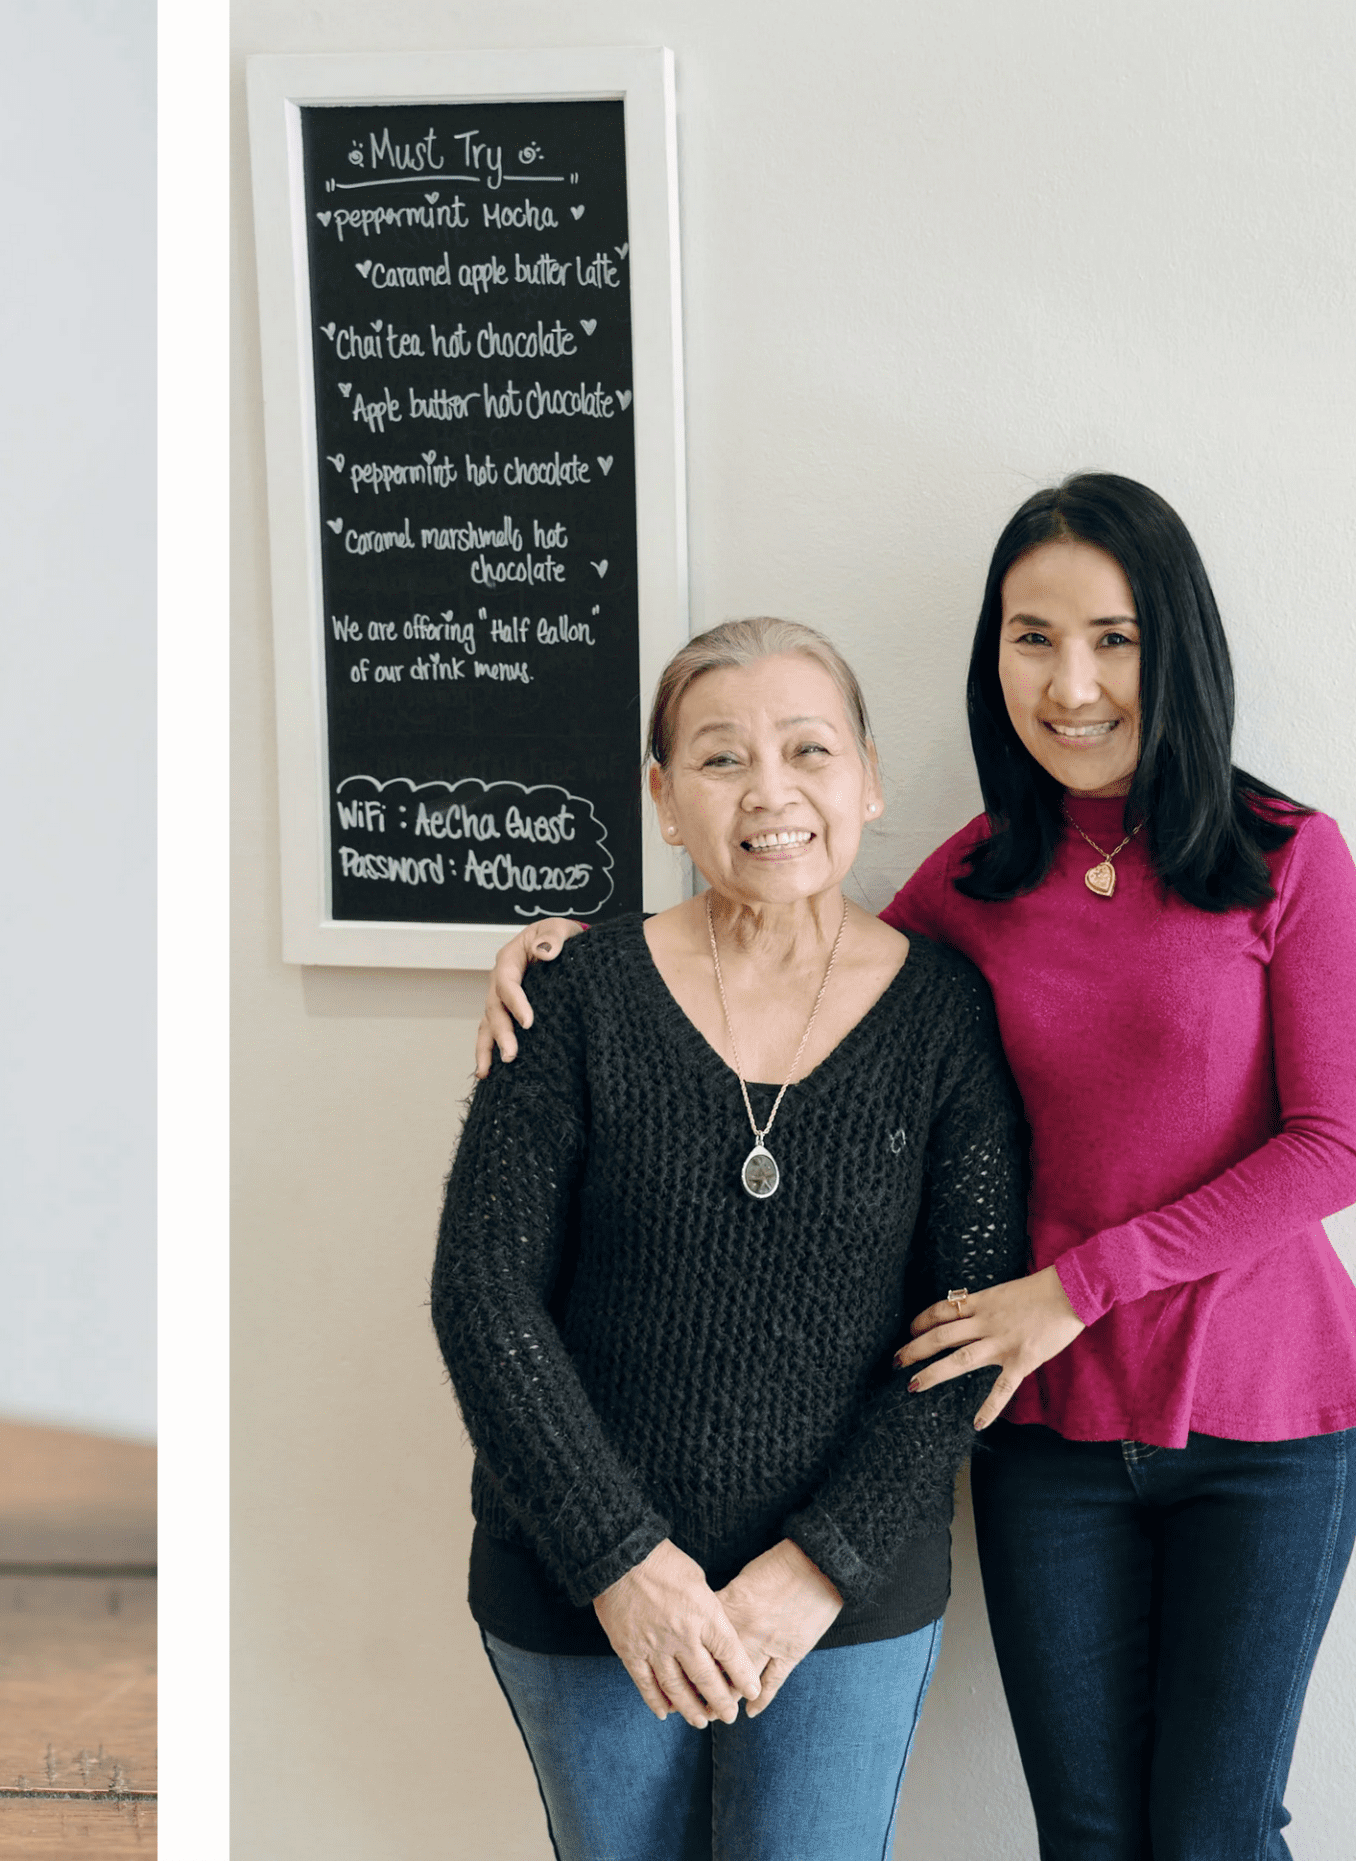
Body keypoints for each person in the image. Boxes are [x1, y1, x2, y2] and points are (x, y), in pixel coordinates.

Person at [477, 474, 1356, 1858]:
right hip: (1041, 1433)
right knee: (1084, 1830)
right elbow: (784, 934)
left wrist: (1077, 1284)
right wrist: (568, 946)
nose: (1070, 682)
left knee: (1213, 1829)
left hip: (1262, 1420)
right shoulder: (964, 888)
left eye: (1113, 638)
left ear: (1176, 649)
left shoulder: (1285, 859)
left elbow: (1335, 1148)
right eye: (1033, 637)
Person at [434, 616, 1027, 1860]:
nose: (770, 792)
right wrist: (622, 1561)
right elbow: (482, 1292)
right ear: (661, 798)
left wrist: (817, 1567)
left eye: (807, 749)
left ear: (865, 776)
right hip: (579, 1583)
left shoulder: (945, 1018)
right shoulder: (574, 998)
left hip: (842, 1595)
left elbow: (968, 1331)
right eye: (718, 758)